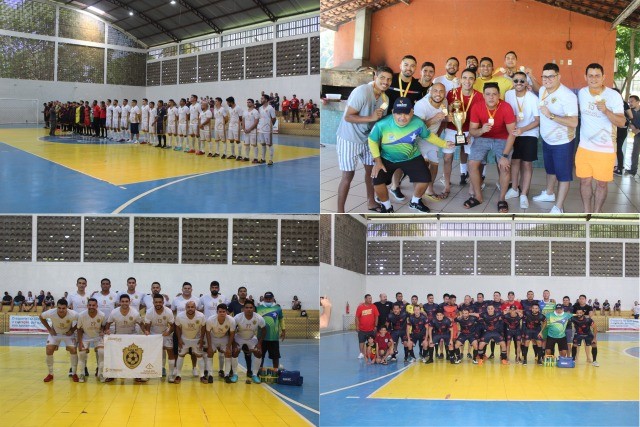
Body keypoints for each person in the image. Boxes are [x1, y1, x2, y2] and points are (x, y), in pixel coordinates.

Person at [369, 97, 454, 213]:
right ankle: (386, 206)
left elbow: (428, 136)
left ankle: (415, 202)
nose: (402, 117)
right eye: (398, 113)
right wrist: (377, 161)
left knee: (425, 178)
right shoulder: (382, 124)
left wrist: (444, 144)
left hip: (411, 156)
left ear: (412, 112)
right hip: (387, 157)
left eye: (406, 113)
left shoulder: (418, 122)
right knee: (376, 180)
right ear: (393, 112)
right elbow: (372, 140)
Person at [337, 67, 393, 213]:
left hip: (367, 139)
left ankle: (371, 202)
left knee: (371, 172)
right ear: (375, 76)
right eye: (382, 78)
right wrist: (371, 117)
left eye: (389, 79)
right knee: (348, 175)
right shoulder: (362, 91)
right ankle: (340, 211)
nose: (385, 82)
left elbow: (378, 124)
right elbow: (348, 117)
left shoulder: (385, 99)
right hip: (349, 138)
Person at [576, 63, 626, 212]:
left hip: (605, 149)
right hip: (584, 147)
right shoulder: (582, 93)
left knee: (602, 184)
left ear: (604, 77)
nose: (594, 78)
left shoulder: (613, 95)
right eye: (590, 75)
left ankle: (597, 214)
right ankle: (587, 212)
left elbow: (622, 122)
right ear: (585, 77)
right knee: (585, 181)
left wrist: (606, 110)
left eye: (597, 75)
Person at [532, 63, 578, 213]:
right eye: (544, 76)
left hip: (563, 142)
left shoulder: (568, 96)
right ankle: (549, 193)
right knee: (550, 169)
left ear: (559, 77)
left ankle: (558, 207)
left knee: (563, 175)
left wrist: (551, 115)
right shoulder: (544, 90)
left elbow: (573, 122)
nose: (547, 79)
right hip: (547, 140)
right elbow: (538, 88)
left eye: (551, 76)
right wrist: (530, 76)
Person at [467, 82, 517, 212]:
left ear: (499, 95)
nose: (491, 97)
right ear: (483, 95)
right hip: (482, 137)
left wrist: (505, 156)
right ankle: (478, 196)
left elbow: (512, 133)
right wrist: (481, 130)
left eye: (494, 94)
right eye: (488, 94)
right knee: (472, 163)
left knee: (504, 167)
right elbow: (472, 131)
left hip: (502, 138)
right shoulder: (477, 107)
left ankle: (502, 199)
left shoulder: (506, 107)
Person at [504, 71, 540, 208]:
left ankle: (524, 193)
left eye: (522, 81)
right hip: (513, 132)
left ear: (526, 83)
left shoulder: (533, 98)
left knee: (526, 164)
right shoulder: (508, 95)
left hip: (529, 133)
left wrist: (522, 130)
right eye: (516, 81)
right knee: (514, 162)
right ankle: (514, 189)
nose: (519, 83)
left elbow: (537, 121)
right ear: (512, 82)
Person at [443, 68, 483, 191]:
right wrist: (447, 114)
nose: (467, 81)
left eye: (471, 78)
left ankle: (472, 186)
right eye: (465, 78)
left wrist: (474, 133)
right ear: (460, 79)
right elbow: (444, 109)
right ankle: (447, 185)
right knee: (447, 158)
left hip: (470, 131)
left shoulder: (479, 96)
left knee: (473, 160)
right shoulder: (451, 93)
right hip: (452, 129)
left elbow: (481, 117)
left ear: (475, 81)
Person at [413, 82, 450, 199]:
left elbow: (444, 119)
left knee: (434, 164)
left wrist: (451, 118)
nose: (438, 94)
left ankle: (430, 189)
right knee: (421, 166)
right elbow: (417, 128)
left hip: (432, 137)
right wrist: (433, 120)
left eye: (441, 91)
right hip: (419, 138)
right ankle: (417, 195)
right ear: (430, 92)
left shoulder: (445, 102)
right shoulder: (421, 105)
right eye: (435, 91)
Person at [104, 293, 146, 382]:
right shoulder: (114, 312)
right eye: (122, 301)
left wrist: (145, 331)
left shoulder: (134, 312)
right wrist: (107, 330)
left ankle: (137, 375)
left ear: (129, 302)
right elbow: (108, 323)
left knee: (135, 356)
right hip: (119, 337)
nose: (124, 303)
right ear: (119, 302)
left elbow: (141, 323)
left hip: (132, 337)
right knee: (115, 356)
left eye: (126, 301)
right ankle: (112, 375)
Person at [40, 299, 79, 382]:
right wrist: (49, 329)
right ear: (56, 307)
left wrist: (72, 330)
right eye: (59, 308)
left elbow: (81, 321)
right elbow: (41, 317)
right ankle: (50, 374)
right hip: (55, 333)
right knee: (49, 349)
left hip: (68, 334)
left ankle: (74, 373)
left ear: (67, 308)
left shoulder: (73, 314)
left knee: (73, 350)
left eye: (63, 308)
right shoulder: (51, 312)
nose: (61, 310)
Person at [233, 300, 266, 384]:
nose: (249, 309)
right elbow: (231, 330)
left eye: (251, 308)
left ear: (254, 309)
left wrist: (259, 343)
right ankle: (235, 374)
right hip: (239, 337)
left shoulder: (258, 318)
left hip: (251, 338)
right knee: (235, 351)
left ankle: (254, 375)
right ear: (243, 309)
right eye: (247, 307)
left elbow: (264, 330)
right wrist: (233, 343)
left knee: (258, 353)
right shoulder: (238, 317)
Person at [144, 293, 175, 381]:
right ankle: (147, 373)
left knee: (170, 351)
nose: (158, 304)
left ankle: (171, 374)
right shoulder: (149, 311)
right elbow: (147, 325)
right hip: (153, 334)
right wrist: (147, 332)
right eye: (156, 302)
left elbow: (173, 326)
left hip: (165, 333)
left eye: (160, 302)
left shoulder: (168, 311)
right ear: (153, 302)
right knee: (149, 353)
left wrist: (168, 332)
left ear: (163, 302)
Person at [173, 301, 206, 384]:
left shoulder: (201, 316)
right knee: (180, 356)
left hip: (197, 339)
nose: (190, 308)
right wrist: (179, 339)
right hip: (184, 339)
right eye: (188, 307)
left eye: (192, 307)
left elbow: (203, 327)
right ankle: (178, 375)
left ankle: (202, 376)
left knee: (199, 356)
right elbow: (177, 327)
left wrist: (202, 339)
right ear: (185, 308)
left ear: (195, 308)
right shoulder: (180, 316)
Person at [76, 298, 106, 383]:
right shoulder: (82, 315)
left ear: (97, 306)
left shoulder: (102, 315)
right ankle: (81, 373)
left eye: (93, 305)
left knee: (101, 352)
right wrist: (80, 342)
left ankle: (100, 374)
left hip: (97, 337)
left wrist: (102, 330)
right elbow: (79, 329)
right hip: (85, 337)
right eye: (90, 305)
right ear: (87, 306)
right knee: (82, 353)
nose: (91, 307)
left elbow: (103, 326)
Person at [205, 303, 236, 383]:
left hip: (224, 338)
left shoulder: (231, 320)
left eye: (224, 312)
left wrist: (229, 347)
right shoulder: (210, 320)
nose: (222, 313)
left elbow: (232, 334)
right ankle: (210, 375)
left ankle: (226, 375)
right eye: (220, 311)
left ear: (226, 312)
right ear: (217, 312)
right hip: (213, 337)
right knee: (210, 353)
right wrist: (209, 346)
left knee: (228, 353)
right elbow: (208, 333)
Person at [256, 291, 285, 370]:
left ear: (273, 298)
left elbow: (281, 319)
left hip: (273, 337)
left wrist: (283, 330)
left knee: (275, 356)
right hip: (261, 337)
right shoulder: (258, 308)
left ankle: (275, 371)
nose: (268, 300)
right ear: (264, 298)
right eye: (266, 298)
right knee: (260, 355)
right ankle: (259, 371)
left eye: (270, 298)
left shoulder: (277, 308)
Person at [355, 294, 379, 359]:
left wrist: (376, 326)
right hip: (362, 329)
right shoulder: (360, 307)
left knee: (372, 341)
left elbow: (376, 316)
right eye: (369, 298)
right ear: (365, 299)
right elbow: (357, 317)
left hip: (371, 329)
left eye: (371, 298)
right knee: (361, 341)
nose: (370, 300)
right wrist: (357, 326)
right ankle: (361, 353)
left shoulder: (374, 306)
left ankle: (373, 353)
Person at [257, 94, 277, 165]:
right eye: (261, 98)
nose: (261, 100)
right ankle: (263, 159)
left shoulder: (270, 108)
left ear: (266, 99)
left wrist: (270, 126)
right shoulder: (260, 108)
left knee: (269, 144)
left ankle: (271, 160)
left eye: (262, 98)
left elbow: (274, 118)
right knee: (263, 144)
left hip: (268, 130)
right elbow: (259, 118)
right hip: (261, 129)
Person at [243, 98, 261, 163]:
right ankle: (247, 157)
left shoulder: (255, 112)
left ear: (253, 103)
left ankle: (255, 158)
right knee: (246, 144)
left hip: (253, 131)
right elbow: (243, 120)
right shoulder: (245, 112)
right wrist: (244, 128)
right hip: (246, 131)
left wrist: (250, 129)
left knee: (254, 144)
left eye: (249, 102)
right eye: (247, 102)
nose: (248, 103)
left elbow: (256, 122)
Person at [626, 95, 640, 176]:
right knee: (635, 152)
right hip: (637, 135)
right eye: (629, 102)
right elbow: (626, 120)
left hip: (638, 132)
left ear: (638, 102)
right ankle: (633, 170)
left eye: (632, 101)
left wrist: (638, 129)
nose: (630, 103)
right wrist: (630, 125)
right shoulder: (629, 111)